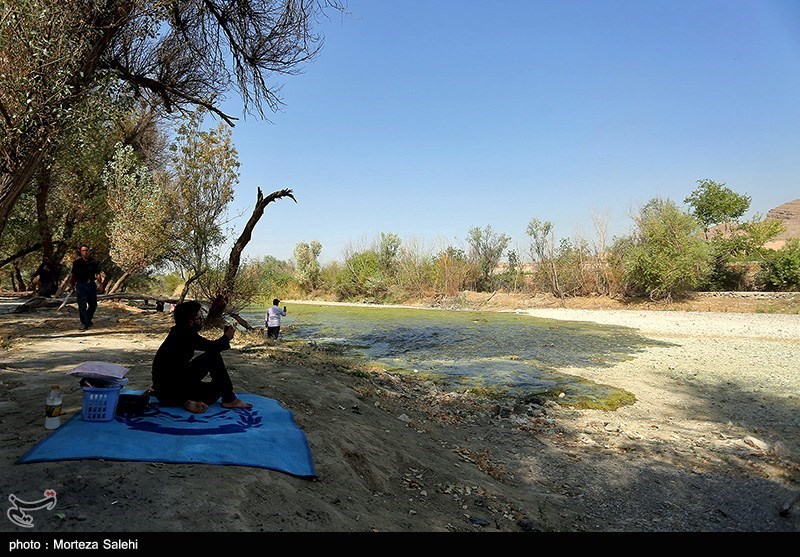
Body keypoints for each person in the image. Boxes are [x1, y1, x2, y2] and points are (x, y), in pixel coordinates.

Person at [151, 300, 252, 414]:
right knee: (214, 360)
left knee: (215, 380)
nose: (201, 321)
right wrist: (226, 338)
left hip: (172, 385)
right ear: (190, 322)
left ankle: (187, 401)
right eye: (198, 318)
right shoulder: (184, 336)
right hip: (170, 391)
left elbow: (209, 346)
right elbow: (212, 347)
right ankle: (229, 400)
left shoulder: (179, 332)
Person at [69, 245, 102, 331]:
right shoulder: (76, 263)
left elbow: (98, 274)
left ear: (89, 251)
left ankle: (87, 319)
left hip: (91, 284)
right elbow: (73, 275)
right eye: (83, 250)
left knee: (93, 305)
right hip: (81, 285)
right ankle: (84, 323)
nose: (85, 252)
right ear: (81, 252)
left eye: (87, 250)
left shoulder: (94, 262)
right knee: (82, 305)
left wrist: (100, 284)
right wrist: (72, 285)